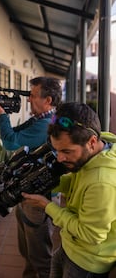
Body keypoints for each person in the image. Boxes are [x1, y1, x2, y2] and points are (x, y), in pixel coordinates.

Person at [22, 102, 116, 278]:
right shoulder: (97, 151)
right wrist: (43, 182)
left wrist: (47, 206)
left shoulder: (102, 182)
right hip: (69, 247)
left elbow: (91, 235)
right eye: (56, 150)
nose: (60, 158)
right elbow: (78, 181)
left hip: (86, 262)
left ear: (92, 142)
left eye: (66, 151)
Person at [0, 76, 62, 278]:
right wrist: (3, 114)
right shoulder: (45, 119)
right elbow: (14, 133)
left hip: (37, 198)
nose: (29, 99)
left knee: (39, 256)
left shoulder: (46, 124)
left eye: (33, 95)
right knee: (28, 251)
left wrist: (2, 117)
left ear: (48, 101)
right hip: (28, 192)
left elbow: (10, 143)